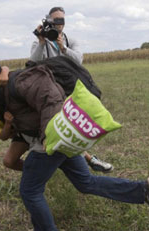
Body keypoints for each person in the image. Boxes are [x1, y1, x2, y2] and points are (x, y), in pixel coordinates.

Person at [0, 55, 149, 231]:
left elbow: (50, 97)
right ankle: (141, 190)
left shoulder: (18, 80)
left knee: (30, 190)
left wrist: (46, 137)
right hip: (59, 139)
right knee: (86, 183)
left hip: (49, 141)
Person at [30, 6, 113, 173]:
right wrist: (41, 43)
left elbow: (79, 60)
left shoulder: (70, 40)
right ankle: (88, 159)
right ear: (49, 21)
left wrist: (63, 48)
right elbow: (32, 63)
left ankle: (82, 159)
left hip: (68, 86)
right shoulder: (40, 41)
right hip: (48, 87)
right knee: (61, 125)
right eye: (56, 20)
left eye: (62, 20)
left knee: (72, 123)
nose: (59, 24)